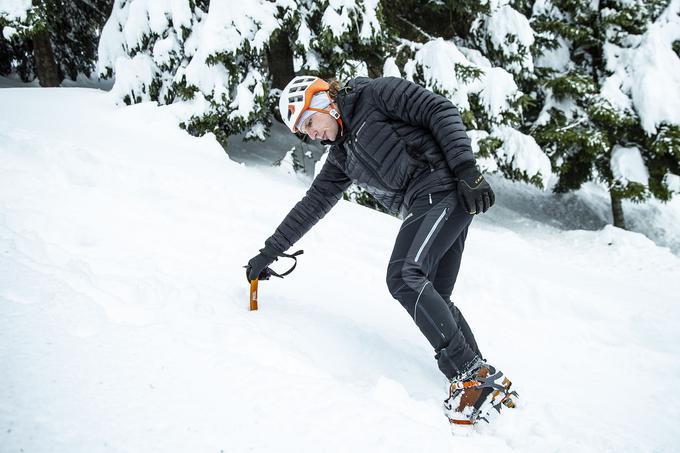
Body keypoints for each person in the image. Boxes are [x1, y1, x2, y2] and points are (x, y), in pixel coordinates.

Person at [245, 75, 516, 424]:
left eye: (309, 123)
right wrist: (269, 252)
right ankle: (485, 381)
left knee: (404, 276)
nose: (311, 135)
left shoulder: (375, 95)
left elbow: (439, 109)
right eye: (304, 132)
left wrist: (467, 169)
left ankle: (471, 378)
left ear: (323, 101)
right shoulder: (342, 156)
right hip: (431, 202)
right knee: (435, 297)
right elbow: (312, 204)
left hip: (444, 188)